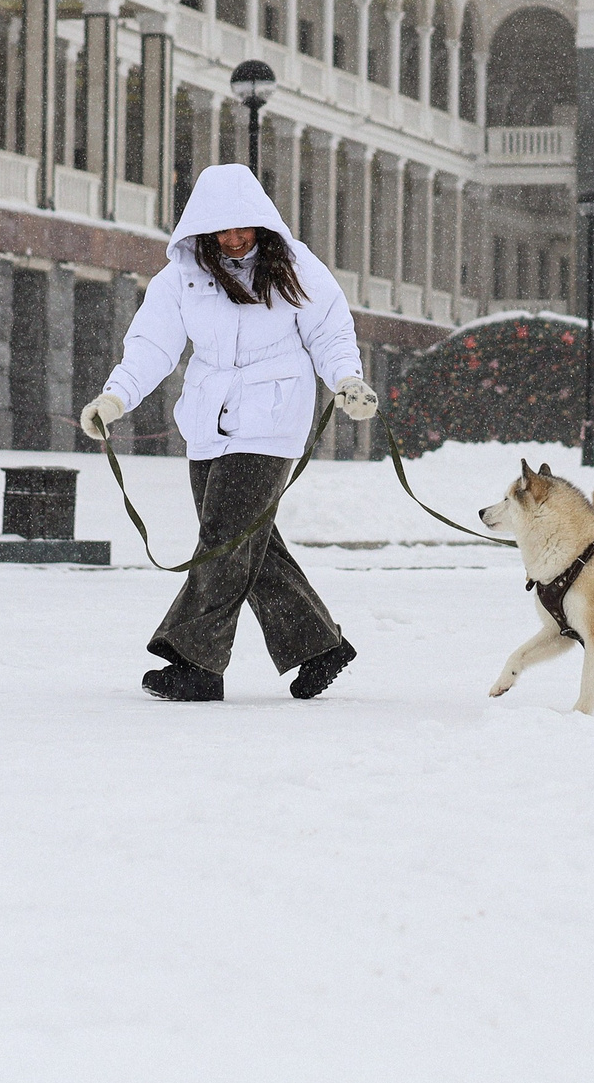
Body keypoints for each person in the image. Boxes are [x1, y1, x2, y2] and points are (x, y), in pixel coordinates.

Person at [80, 164, 380, 702]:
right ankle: (319, 646)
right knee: (250, 545)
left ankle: (197, 662)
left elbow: (330, 330)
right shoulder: (180, 278)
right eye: (224, 230)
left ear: (262, 224)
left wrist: (346, 380)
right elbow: (152, 345)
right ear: (203, 229)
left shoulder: (295, 266)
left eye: (245, 229)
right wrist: (116, 395)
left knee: (225, 539)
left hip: (271, 418)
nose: (236, 240)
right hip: (207, 422)